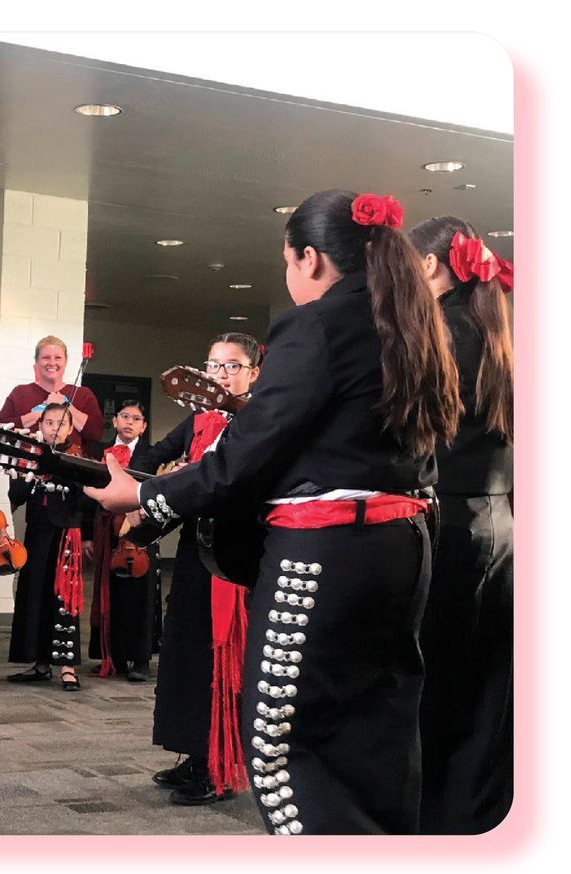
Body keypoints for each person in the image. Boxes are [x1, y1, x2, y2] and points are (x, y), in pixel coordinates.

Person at [86, 189, 462, 835]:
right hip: (404, 546)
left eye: (287, 262)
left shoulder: (315, 323)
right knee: (379, 737)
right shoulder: (411, 323)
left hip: (325, 555)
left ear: (309, 258)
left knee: (289, 746)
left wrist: (146, 495)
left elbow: (253, 450)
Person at [408, 215, 514, 834]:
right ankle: (478, 820)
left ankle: (434, 823)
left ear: (427, 266)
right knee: (489, 687)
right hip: (502, 522)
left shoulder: (440, 331)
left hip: (448, 523)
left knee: (435, 681)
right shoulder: (498, 331)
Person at [143, 332, 261, 806]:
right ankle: (195, 755)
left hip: (235, 558)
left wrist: (185, 480)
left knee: (222, 659)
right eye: (213, 366)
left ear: (254, 373)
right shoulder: (199, 419)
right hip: (196, 550)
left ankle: (221, 768)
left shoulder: (259, 419)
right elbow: (147, 458)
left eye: (231, 366)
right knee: (185, 653)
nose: (219, 375)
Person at [6, 404, 91, 691]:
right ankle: (39, 663)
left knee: (64, 600)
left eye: (61, 423)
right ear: (40, 426)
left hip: (65, 535)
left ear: (70, 429)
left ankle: (67, 667)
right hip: (38, 535)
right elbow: (14, 495)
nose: (54, 428)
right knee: (34, 594)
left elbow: (86, 500)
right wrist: (31, 472)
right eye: (49, 422)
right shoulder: (32, 456)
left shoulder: (76, 458)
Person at [86, 400, 161, 682]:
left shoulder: (152, 455)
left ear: (143, 426)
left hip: (141, 530)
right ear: (115, 421)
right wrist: (85, 535)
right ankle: (113, 656)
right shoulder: (99, 452)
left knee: (142, 595)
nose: (129, 422)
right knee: (109, 592)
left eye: (136, 418)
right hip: (107, 529)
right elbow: (87, 493)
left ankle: (140, 659)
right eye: (124, 416)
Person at [0, 335, 103, 455]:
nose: (52, 363)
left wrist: (65, 405)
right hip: (27, 466)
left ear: (66, 362)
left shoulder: (83, 394)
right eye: (46, 358)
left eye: (58, 358)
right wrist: (34, 415)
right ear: (36, 362)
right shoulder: (20, 393)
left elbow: (96, 433)